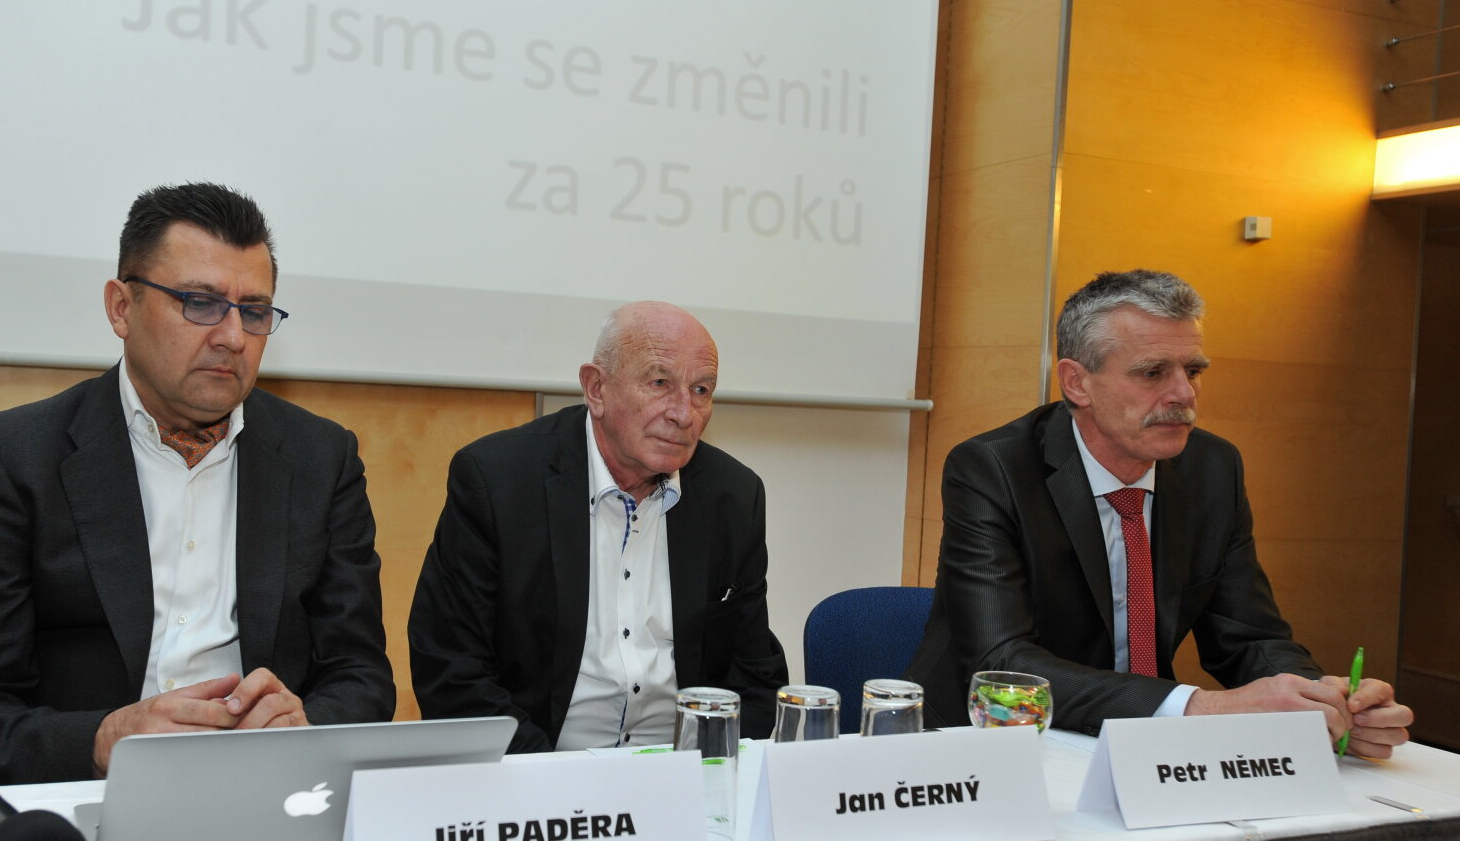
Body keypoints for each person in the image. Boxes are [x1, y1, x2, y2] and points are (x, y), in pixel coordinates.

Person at [0, 182, 396, 789]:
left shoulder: (321, 458)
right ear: (121, 308)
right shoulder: (12, 460)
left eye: (253, 311)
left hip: (268, 792)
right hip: (81, 801)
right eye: (200, 302)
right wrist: (103, 741)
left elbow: (361, 678)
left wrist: (303, 729)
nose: (233, 337)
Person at [907, 270, 1412, 758]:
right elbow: (1001, 662)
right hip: (991, 738)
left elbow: (1247, 636)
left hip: (1150, 748)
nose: (1184, 394)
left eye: (1192, 371)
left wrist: (1319, 703)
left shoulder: (1213, 468)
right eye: (1153, 372)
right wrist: (1201, 707)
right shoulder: (994, 468)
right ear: (1077, 383)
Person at [408, 301, 787, 753]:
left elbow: (755, 675)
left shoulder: (734, 497)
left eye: (701, 390)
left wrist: (706, 771)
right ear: (596, 388)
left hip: (681, 770)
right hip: (542, 765)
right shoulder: (498, 481)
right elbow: (451, 672)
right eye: (660, 383)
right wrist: (555, 778)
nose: (684, 413)